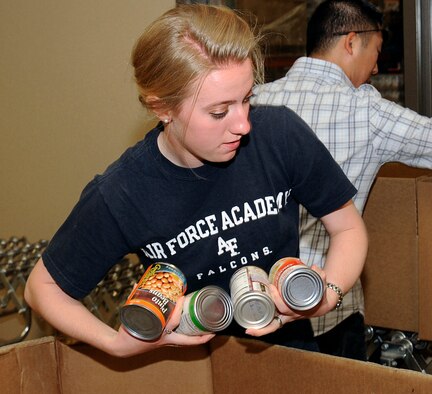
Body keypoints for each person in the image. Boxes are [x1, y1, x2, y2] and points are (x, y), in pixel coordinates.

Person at [24, 3, 368, 358]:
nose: (242, 125)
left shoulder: (280, 136)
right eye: (219, 112)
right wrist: (115, 344)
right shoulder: (123, 192)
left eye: (247, 98)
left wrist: (329, 292)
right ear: (163, 108)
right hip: (189, 366)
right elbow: (42, 288)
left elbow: (348, 229)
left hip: (287, 355)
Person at [252, 0, 432, 361]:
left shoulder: (253, 100)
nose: (376, 66)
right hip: (328, 309)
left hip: (254, 304)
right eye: (376, 52)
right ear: (351, 42)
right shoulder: (366, 111)